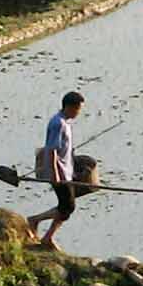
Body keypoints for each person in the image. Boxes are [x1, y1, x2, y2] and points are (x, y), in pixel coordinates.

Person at [27, 90, 86, 250]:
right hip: (59, 173)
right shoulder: (57, 123)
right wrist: (55, 175)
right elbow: (51, 150)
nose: (79, 112)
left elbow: (62, 149)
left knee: (67, 207)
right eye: (78, 108)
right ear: (70, 107)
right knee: (68, 206)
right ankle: (35, 221)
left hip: (65, 171)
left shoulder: (65, 123)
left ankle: (47, 236)